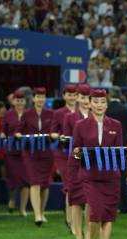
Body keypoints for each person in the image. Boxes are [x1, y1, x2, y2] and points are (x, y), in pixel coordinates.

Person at [72, 89, 122, 239]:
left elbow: (119, 151)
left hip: (111, 178)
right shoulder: (80, 125)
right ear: (90, 103)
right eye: (96, 101)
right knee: (95, 213)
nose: (100, 105)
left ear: (106, 104)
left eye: (103, 102)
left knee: (109, 216)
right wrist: (76, 154)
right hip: (90, 177)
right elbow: (75, 150)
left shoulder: (116, 125)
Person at [15, 87, 54, 226]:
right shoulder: (26, 114)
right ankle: (37, 215)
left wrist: (54, 135)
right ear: (33, 99)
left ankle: (41, 212)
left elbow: (54, 131)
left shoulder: (51, 113)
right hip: (30, 153)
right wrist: (19, 135)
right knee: (34, 182)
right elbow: (18, 131)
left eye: (43, 97)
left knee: (45, 184)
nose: (40, 100)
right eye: (38, 97)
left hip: (46, 154)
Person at [64, 84, 91, 239]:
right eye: (82, 97)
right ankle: (78, 236)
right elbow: (68, 142)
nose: (85, 101)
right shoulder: (70, 118)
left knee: (89, 200)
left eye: (88, 98)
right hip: (75, 162)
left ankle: (87, 232)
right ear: (78, 99)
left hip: (92, 164)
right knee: (75, 199)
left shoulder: (98, 118)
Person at [50, 84, 78, 231]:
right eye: (69, 94)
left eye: (74, 94)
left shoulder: (83, 112)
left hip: (79, 155)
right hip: (63, 154)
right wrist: (60, 137)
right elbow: (52, 133)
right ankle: (70, 221)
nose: (72, 97)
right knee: (70, 186)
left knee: (78, 186)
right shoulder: (59, 113)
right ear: (64, 96)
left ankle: (76, 219)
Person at [106, 86, 127, 214]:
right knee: (121, 177)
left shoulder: (105, 110)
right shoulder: (126, 110)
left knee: (106, 176)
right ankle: (123, 206)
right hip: (122, 148)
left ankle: (108, 204)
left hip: (106, 148)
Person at [2, 90, 30, 217]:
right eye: (17, 100)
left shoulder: (29, 114)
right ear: (13, 101)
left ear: (25, 102)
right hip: (11, 152)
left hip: (26, 152)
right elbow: (4, 132)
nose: (19, 103)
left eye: (22, 101)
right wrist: (10, 136)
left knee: (26, 181)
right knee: (13, 181)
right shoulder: (8, 115)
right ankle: (12, 199)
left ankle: (23, 209)